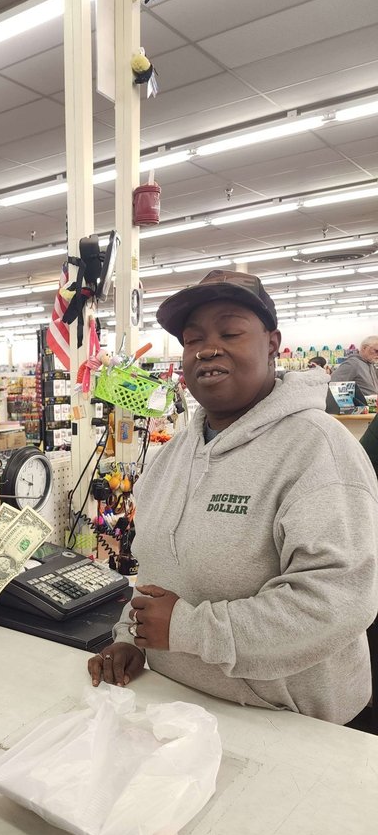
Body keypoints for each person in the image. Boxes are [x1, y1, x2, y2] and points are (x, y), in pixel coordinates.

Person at [88, 269, 378, 724]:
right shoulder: (173, 455)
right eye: (192, 338)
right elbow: (158, 571)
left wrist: (186, 630)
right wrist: (131, 636)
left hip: (290, 726)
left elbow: (337, 602)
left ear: (271, 342)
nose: (207, 348)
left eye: (231, 332)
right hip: (177, 710)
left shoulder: (318, 451)